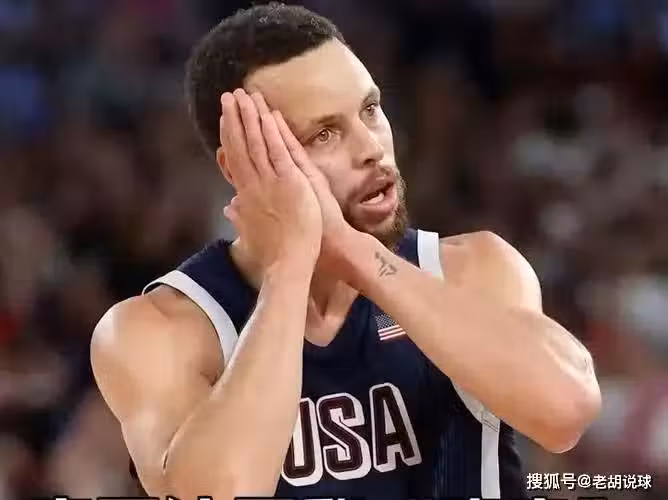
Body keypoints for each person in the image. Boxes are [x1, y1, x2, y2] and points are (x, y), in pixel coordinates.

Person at [90, 3, 602, 499]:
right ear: (240, 167)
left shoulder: (474, 268)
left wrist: (355, 255)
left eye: (370, 110)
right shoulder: (161, 329)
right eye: (325, 134)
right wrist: (290, 266)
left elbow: (567, 412)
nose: (372, 148)